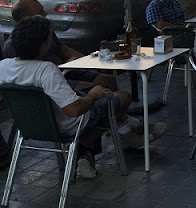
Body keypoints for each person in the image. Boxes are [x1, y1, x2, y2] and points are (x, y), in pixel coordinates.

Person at [0, 16, 149, 178]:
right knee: (122, 97)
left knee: (97, 94)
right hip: (67, 126)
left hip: (30, 127)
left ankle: (97, 146)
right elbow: (74, 110)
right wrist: (93, 96)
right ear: (44, 45)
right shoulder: (45, 70)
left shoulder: (4, 66)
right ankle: (85, 146)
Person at [2, 0, 118, 91]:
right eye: (40, 12)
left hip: (65, 72)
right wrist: (65, 67)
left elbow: (64, 50)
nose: (45, 13)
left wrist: (90, 62)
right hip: (50, 82)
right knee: (99, 88)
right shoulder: (13, 45)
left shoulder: (46, 32)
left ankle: (119, 117)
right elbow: (30, 76)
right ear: (25, 19)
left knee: (108, 80)